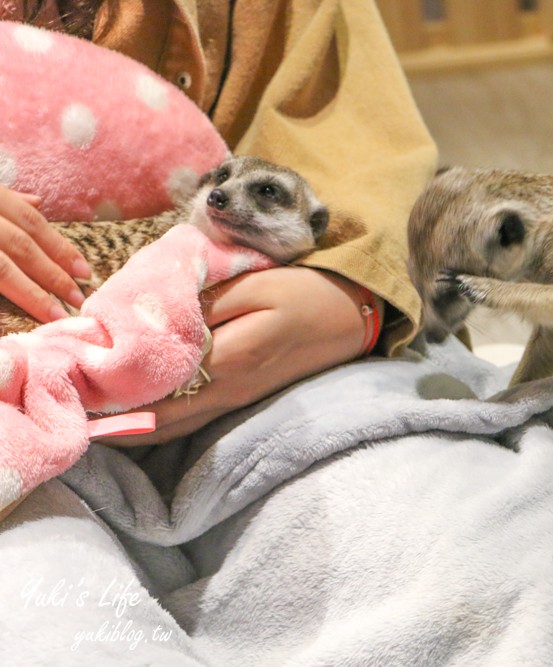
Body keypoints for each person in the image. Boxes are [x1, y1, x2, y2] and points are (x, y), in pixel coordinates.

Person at [0, 0, 437, 445]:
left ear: (315, 223)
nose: (223, 197)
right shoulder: (169, 243)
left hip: (301, 355)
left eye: (266, 194)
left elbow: (367, 150)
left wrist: (354, 294)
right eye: (221, 183)